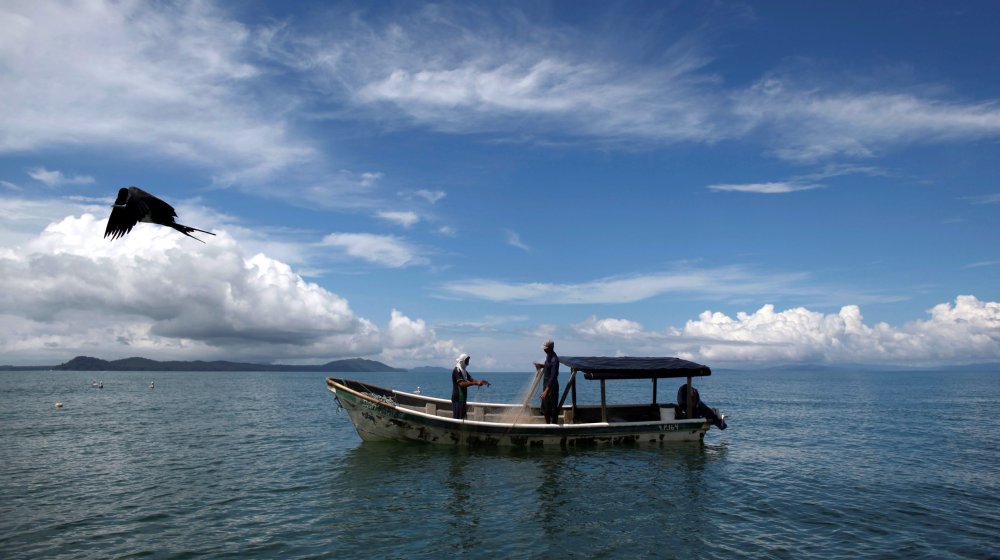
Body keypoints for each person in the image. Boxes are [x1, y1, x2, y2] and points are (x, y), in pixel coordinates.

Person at [451, 353, 488, 419]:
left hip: (463, 398)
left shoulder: (464, 370)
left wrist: (479, 382)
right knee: (458, 418)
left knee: (463, 417)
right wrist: (474, 383)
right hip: (458, 398)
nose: (468, 362)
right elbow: (461, 384)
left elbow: (471, 379)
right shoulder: (457, 370)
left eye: (468, 360)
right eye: (467, 360)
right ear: (462, 361)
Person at [539, 340, 560, 424]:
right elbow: (548, 366)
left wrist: (546, 391)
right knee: (545, 408)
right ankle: (547, 425)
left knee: (552, 409)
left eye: (546, 348)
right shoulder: (548, 356)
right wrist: (542, 366)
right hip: (546, 385)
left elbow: (553, 376)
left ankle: (553, 426)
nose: (544, 350)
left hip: (552, 387)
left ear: (551, 348)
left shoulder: (554, 359)